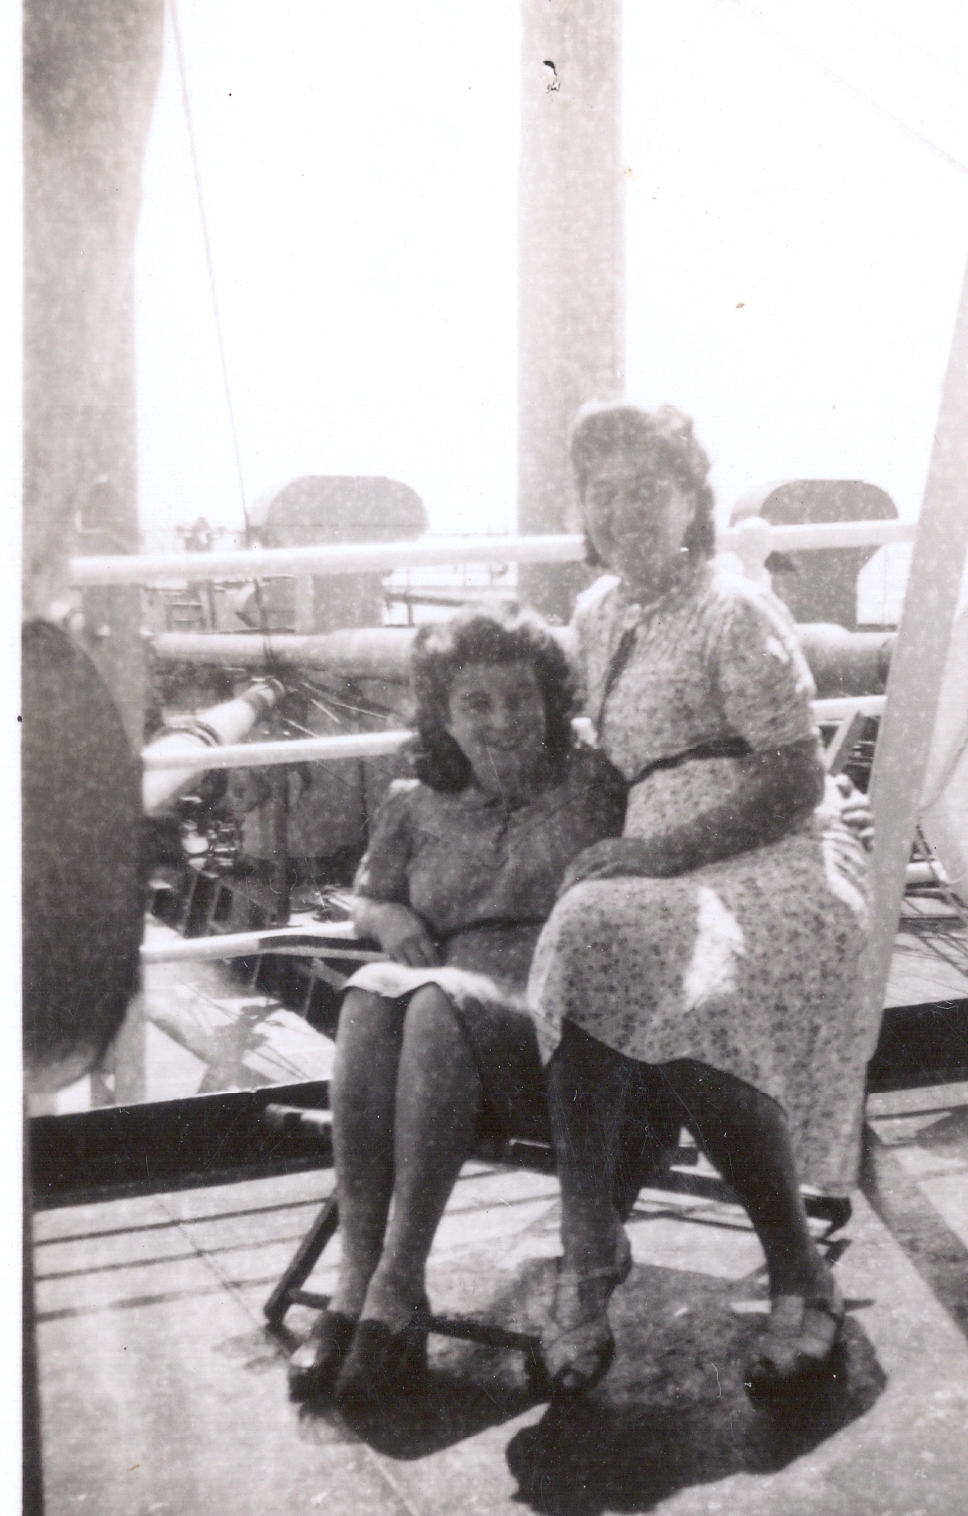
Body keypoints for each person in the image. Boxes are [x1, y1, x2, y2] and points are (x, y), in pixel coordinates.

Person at [528, 401, 875, 1398]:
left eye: (647, 489)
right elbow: (608, 764)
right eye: (603, 494)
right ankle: (591, 1241)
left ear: (692, 501)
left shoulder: (736, 610)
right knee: (587, 932)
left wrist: (661, 853)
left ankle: (797, 1272)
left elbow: (795, 780)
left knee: (692, 991)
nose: (623, 512)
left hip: (774, 856)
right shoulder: (599, 613)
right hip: (662, 862)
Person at [287, 601, 676, 1407]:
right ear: (443, 715)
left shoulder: (595, 784)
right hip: (446, 1052)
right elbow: (368, 898)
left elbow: (675, 845)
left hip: (569, 1044)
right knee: (370, 991)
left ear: (550, 700)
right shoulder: (412, 802)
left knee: (432, 1001)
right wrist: (386, 918)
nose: (502, 720)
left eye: (520, 697)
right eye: (476, 703)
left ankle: (398, 1283)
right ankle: (356, 1283)